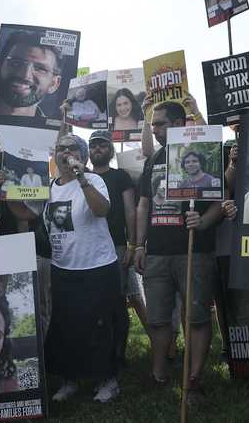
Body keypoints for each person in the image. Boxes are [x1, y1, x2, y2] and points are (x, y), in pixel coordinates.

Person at [7, 134, 121, 403]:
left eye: (73, 148)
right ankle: (70, 381)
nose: (67, 152)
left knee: (98, 325)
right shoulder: (49, 187)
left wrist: (82, 180)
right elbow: (24, 213)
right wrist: (6, 190)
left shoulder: (94, 180)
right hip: (63, 268)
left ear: (81, 156)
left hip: (97, 265)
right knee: (66, 325)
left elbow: (102, 209)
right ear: (55, 155)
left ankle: (107, 380)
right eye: (62, 148)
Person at [127, 101, 223, 401]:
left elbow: (222, 200)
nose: (154, 129)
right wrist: (139, 245)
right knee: (157, 318)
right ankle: (159, 375)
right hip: (156, 252)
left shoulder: (201, 155)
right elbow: (143, 205)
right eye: (153, 124)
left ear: (180, 124)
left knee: (196, 316)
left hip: (194, 250)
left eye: (160, 124)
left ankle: (194, 379)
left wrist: (204, 222)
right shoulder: (153, 158)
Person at [87, 130, 150, 373]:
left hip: (116, 247)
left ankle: (119, 355)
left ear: (111, 150)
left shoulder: (121, 177)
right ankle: (96, 353)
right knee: (92, 304)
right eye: (94, 145)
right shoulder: (82, 178)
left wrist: (132, 246)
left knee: (119, 303)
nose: (98, 148)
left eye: (103, 144)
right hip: (87, 250)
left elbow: (131, 212)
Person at [0, 29, 63, 117]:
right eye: (16, 63)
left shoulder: (57, 131)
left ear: (53, 84)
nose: (25, 75)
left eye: (40, 68)